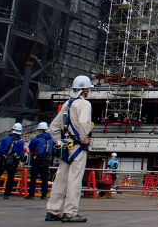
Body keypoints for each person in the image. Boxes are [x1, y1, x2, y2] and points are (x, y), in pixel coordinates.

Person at [45, 75, 93, 223]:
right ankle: (70, 212)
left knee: (60, 179)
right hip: (78, 146)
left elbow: (53, 127)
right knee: (74, 180)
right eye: (88, 88)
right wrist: (84, 140)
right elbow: (84, 123)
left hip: (65, 145)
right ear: (84, 89)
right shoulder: (84, 104)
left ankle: (53, 210)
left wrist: (58, 142)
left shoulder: (67, 104)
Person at [0, 122, 25, 198]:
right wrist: (21, 161)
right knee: (11, 177)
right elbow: (21, 152)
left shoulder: (6, 138)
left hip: (3, 159)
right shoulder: (21, 141)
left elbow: (0, 149)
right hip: (13, 160)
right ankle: (6, 194)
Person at [26, 121, 53, 200]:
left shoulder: (37, 138)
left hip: (37, 159)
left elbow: (31, 146)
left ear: (40, 130)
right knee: (44, 177)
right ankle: (44, 194)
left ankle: (31, 194)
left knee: (33, 176)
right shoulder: (51, 139)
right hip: (47, 159)